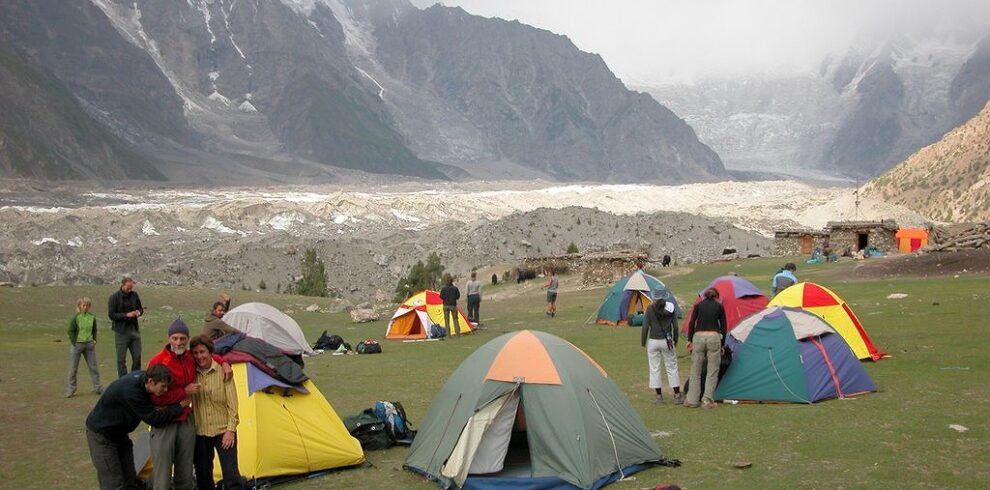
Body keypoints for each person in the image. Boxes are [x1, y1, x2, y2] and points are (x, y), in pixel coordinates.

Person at [147, 319, 230, 490]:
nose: (178, 342)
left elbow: (207, 356)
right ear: (169, 338)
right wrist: (184, 392)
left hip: (186, 420)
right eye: (175, 338)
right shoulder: (158, 361)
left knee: (185, 473)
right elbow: (153, 396)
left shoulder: (190, 357)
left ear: (187, 339)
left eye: (182, 338)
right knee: (162, 476)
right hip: (165, 421)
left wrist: (223, 362)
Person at [86, 364, 190, 490]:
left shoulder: (144, 382)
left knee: (130, 480)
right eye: (163, 386)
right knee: (114, 484)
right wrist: (178, 407)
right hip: (102, 437)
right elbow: (154, 419)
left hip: (120, 435)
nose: (166, 390)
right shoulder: (132, 391)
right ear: (151, 381)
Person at [189, 336, 244, 490]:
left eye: (202, 352)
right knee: (203, 476)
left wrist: (230, 430)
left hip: (223, 431)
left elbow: (232, 403)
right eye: (195, 353)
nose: (199, 356)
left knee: (231, 475)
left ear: (210, 352)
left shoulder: (223, 371)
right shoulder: (190, 372)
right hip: (201, 432)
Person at [684, 288, 727, 409]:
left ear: (704, 296)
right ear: (716, 296)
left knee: (695, 370)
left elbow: (692, 322)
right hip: (713, 337)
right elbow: (724, 326)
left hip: (698, 337)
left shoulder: (698, 306)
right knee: (712, 371)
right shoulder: (719, 307)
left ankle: (692, 399)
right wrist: (722, 343)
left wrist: (689, 340)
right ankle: (707, 401)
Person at [641, 294, 682, 404]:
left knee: (654, 368)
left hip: (653, 340)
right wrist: (675, 339)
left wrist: (643, 341)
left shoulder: (650, 308)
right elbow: (676, 326)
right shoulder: (671, 308)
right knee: (672, 367)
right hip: (667, 340)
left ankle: (659, 396)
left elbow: (645, 326)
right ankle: (677, 394)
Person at [66, 297, 104, 397]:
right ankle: (71, 389)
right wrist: (74, 342)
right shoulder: (76, 318)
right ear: (79, 306)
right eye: (83, 305)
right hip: (78, 345)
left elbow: (94, 329)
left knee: (93, 367)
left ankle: (98, 387)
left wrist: (94, 340)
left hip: (89, 345)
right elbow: (70, 330)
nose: (85, 307)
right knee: (73, 368)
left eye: (87, 305)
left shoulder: (92, 317)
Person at [108, 276, 144, 378]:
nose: (130, 290)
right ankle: (123, 380)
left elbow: (140, 308)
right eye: (128, 287)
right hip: (121, 332)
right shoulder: (114, 297)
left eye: (131, 287)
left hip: (134, 330)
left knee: (137, 357)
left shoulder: (134, 295)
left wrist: (138, 312)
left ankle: (135, 377)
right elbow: (111, 315)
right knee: (121, 359)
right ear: (122, 285)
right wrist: (126, 315)